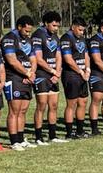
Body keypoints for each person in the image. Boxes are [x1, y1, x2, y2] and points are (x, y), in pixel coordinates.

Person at [2, 15, 38, 151]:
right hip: (14, 78)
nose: (28, 33)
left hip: (27, 78)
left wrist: (32, 74)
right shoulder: (9, 39)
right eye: (26, 31)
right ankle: (14, 141)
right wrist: (26, 73)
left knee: (23, 110)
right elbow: (11, 60)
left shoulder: (29, 40)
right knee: (14, 110)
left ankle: (21, 139)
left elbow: (33, 59)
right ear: (19, 27)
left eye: (30, 31)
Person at [31, 11, 67, 145]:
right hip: (41, 75)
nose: (56, 28)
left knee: (53, 105)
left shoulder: (56, 37)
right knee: (42, 105)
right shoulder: (38, 35)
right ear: (46, 23)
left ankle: (53, 135)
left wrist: (57, 72)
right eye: (54, 25)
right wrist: (52, 71)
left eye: (58, 26)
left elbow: (59, 56)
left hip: (53, 75)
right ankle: (38, 137)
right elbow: (38, 59)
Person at [60, 17, 92, 139]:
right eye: (79, 30)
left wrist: (87, 70)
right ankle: (69, 132)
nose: (81, 32)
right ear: (73, 27)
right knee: (71, 103)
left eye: (83, 30)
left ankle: (80, 130)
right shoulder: (66, 38)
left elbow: (86, 55)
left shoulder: (82, 39)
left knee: (83, 102)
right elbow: (68, 59)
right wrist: (80, 71)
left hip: (83, 74)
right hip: (71, 75)